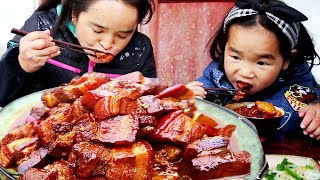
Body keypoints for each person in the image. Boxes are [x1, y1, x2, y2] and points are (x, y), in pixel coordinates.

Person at [187, 0, 320, 139]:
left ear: (287, 60)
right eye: (236, 57)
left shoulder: (302, 91)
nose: (245, 73)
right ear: (223, 48)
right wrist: (184, 102)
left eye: (261, 63)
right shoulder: (211, 82)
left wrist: (316, 111)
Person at [0, 0, 156, 107]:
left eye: (122, 35)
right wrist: (22, 64)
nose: (107, 45)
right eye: (97, 30)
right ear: (74, 14)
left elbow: (149, 102)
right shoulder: (41, 28)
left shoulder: (140, 48)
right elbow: (3, 97)